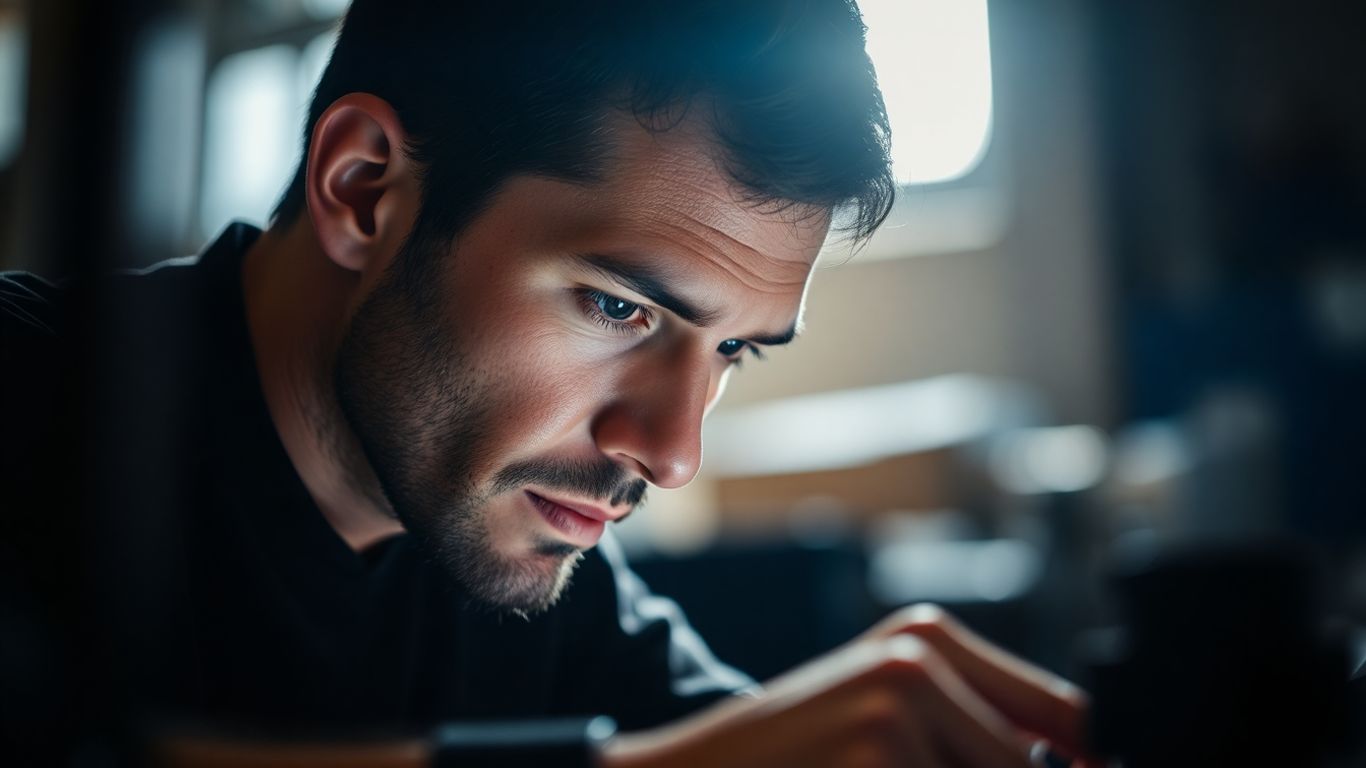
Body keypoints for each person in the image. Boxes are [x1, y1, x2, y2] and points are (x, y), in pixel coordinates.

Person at [0, 0, 1096, 765]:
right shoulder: (24, 395)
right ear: (365, 189)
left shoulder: (522, 569)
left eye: (733, 351)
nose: (671, 452)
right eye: (620, 309)